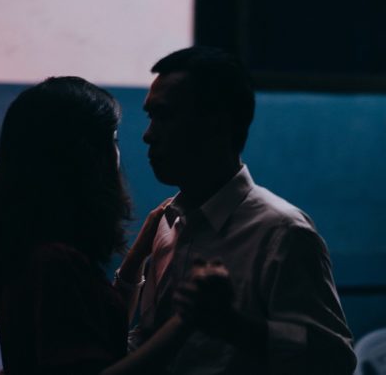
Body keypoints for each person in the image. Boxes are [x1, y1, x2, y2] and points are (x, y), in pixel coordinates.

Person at [116, 47, 357, 374]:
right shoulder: (167, 224)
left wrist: (233, 326)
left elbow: (335, 360)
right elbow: (149, 337)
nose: (148, 135)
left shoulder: (282, 233)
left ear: (218, 124)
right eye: (150, 116)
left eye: (165, 115)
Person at [0, 77, 198, 375]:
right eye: (113, 140)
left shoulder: (33, 247)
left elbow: (96, 332)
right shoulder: (55, 263)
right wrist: (185, 322)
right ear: (87, 156)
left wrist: (138, 256)